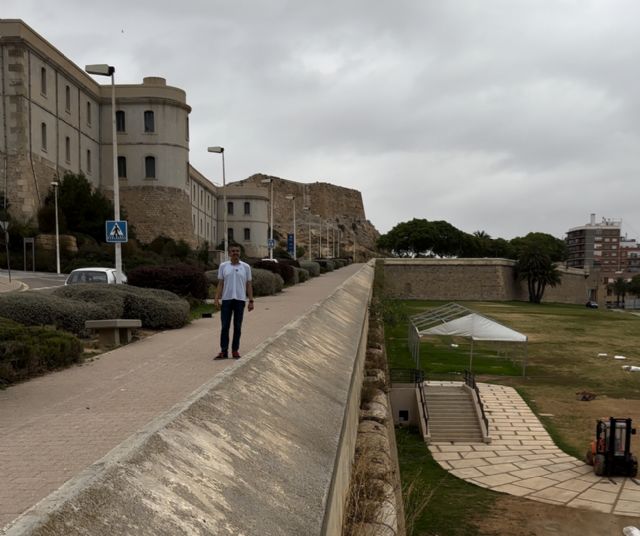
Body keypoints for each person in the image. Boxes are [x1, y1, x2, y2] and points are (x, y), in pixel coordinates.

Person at [214, 245, 254, 359]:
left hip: (240, 300)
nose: (235, 253)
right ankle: (223, 351)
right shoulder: (223, 266)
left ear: (240, 253)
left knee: (237, 326)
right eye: (233, 251)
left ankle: (235, 350)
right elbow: (220, 283)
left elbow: (249, 284)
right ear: (229, 253)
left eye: (237, 251)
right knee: (225, 326)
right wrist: (216, 298)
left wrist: (251, 300)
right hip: (226, 300)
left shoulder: (246, 267)